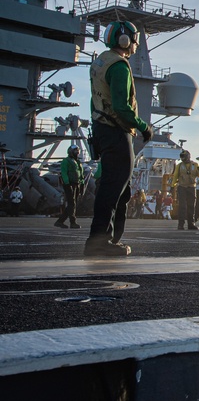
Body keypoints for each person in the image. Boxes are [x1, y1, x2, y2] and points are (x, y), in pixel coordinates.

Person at [85, 20, 152, 256]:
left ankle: (110, 239)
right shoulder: (120, 66)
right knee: (114, 188)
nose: (135, 44)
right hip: (116, 130)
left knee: (118, 190)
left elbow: (95, 99)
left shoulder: (100, 62)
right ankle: (98, 241)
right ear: (125, 41)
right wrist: (144, 127)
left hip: (102, 128)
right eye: (134, 39)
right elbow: (122, 107)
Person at [54, 144, 85, 228]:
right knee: (72, 204)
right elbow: (64, 173)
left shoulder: (78, 162)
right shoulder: (66, 161)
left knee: (72, 204)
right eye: (75, 151)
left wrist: (82, 184)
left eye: (78, 151)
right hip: (69, 184)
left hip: (77, 184)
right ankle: (72, 222)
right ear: (71, 152)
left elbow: (81, 175)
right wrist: (67, 184)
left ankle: (60, 221)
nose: (77, 153)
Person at [172, 150, 199, 230]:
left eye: (184, 156)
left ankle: (191, 224)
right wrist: (172, 185)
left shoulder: (195, 165)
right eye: (182, 157)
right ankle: (180, 224)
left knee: (191, 206)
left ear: (188, 156)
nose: (183, 158)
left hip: (192, 187)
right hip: (182, 187)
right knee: (182, 206)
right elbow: (175, 176)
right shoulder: (179, 166)